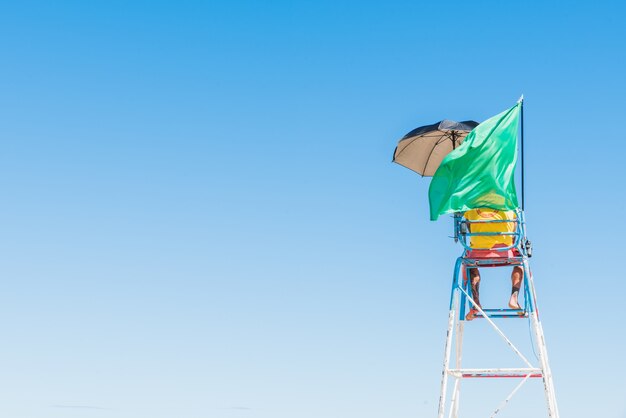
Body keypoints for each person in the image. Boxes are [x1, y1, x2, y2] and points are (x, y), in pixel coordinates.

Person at [463, 208, 522, 321]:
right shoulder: (510, 209)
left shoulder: (471, 209)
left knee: (469, 266)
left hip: (478, 252)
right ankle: (514, 298)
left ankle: (476, 303)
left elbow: (469, 229)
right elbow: (514, 233)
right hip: (505, 251)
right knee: (520, 262)